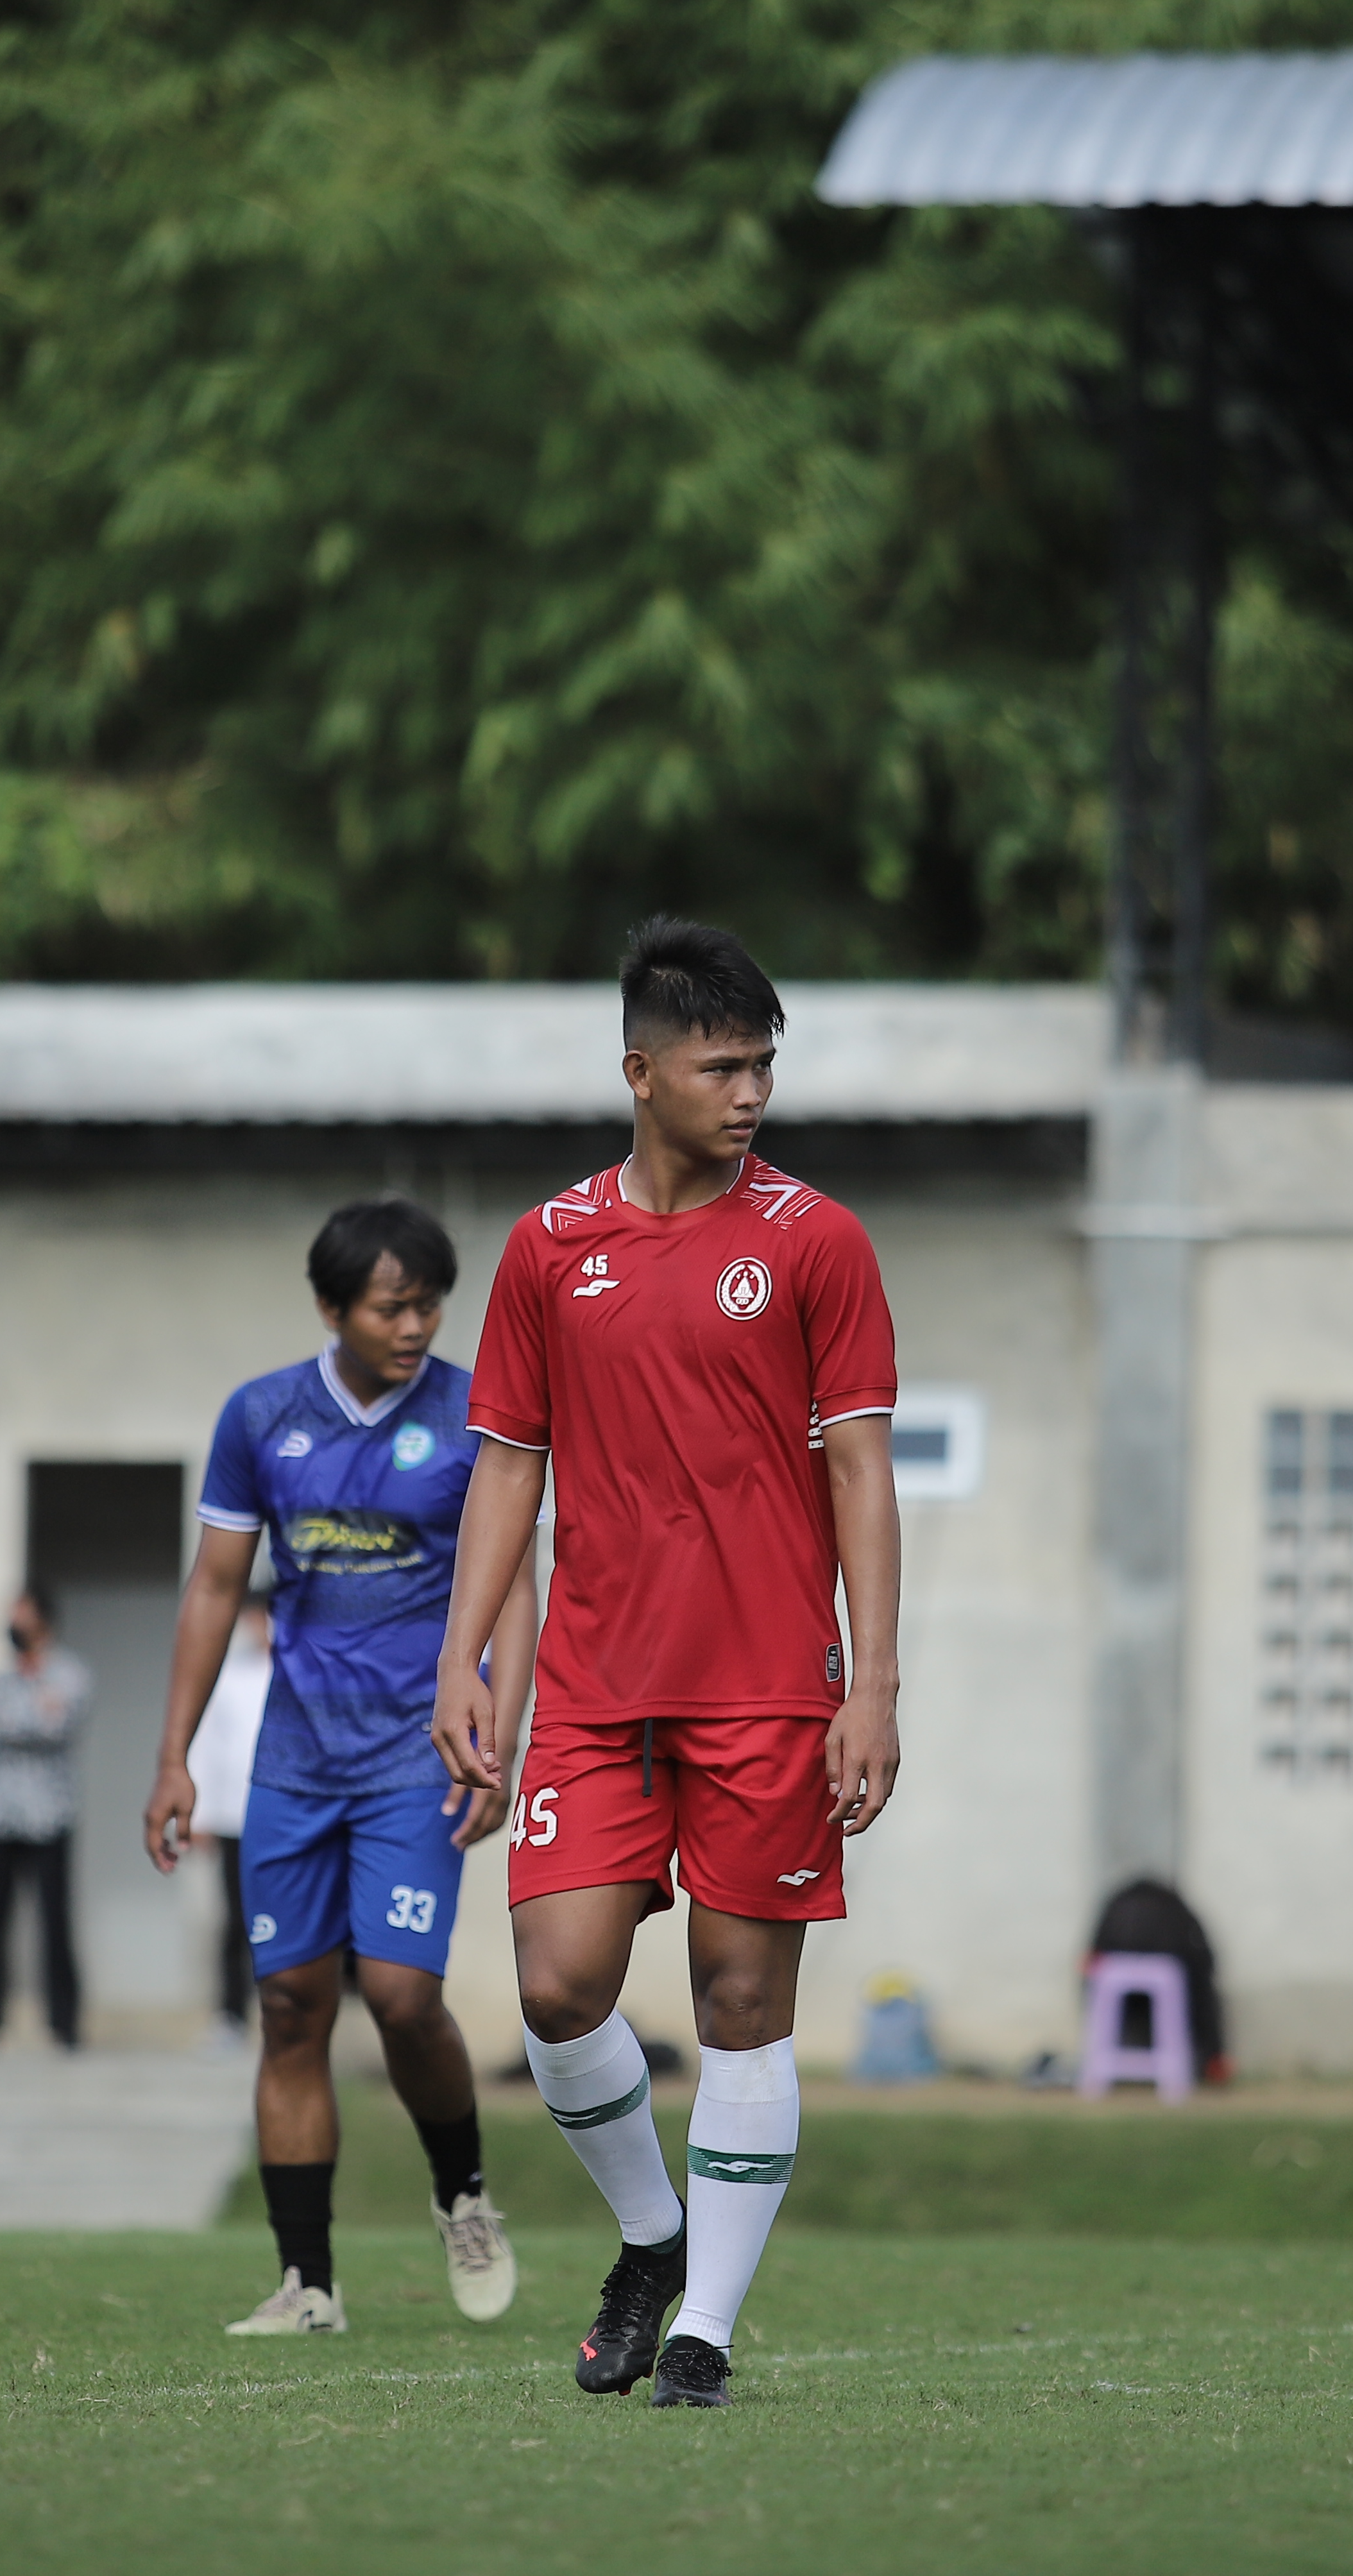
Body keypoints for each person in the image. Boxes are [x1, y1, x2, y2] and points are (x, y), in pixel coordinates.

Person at [431, 919, 904, 2410]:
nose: (751, 1090)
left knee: (737, 1999)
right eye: (722, 1065)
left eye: (765, 1063)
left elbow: (862, 1472)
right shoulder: (545, 1248)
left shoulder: (815, 1241)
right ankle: (653, 2237)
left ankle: (701, 2328)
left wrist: (872, 1683)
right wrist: (465, 1661)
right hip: (587, 1685)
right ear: (640, 1072)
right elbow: (506, 1467)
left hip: (769, 1683)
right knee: (560, 1986)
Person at [149, 1198, 535, 2337]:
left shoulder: (480, 1414)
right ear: (332, 1308)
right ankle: (307, 2284)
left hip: (421, 1755)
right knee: (287, 2008)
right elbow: (217, 1586)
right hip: (295, 1764)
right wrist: (172, 1755)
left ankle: (462, 2192)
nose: (415, 1325)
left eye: (429, 1304)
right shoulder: (262, 1417)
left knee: (405, 1997)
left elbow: (517, 1582)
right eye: (390, 1306)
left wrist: (500, 1732)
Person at [0, 1584, 91, 2053]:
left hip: (50, 1815)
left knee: (55, 1922)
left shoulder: (70, 1674)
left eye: (20, 1615)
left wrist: (17, 1720)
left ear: (42, 1620)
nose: (13, 1625)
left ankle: (64, 2025)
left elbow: (56, 1726)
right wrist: (25, 1718)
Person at [186, 1591, 278, 2044]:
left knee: (284, 1916)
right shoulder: (227, 1676)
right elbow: (204, 1745)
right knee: (235, 1919)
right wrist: (199, 1813)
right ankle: (230, 2015)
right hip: (231, 1818)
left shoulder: (293, 1673)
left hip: (282, 1816)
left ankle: (281, 2011)